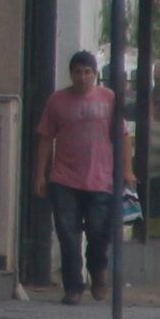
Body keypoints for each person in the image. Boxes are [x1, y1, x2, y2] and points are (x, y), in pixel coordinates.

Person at [33, 50, 120, 306]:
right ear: (71, 74)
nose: (82, 77)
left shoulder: (109, 99)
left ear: (95, 74)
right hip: (65, 179)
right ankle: (73, 286)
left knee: (98, 231)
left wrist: (125, 170)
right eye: (77, 72)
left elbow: (122, 135)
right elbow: (46, 138)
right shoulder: (58, 101)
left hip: (100, 179)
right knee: (68, 234)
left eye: (87, 72)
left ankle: (97, 270)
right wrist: (40, 174)